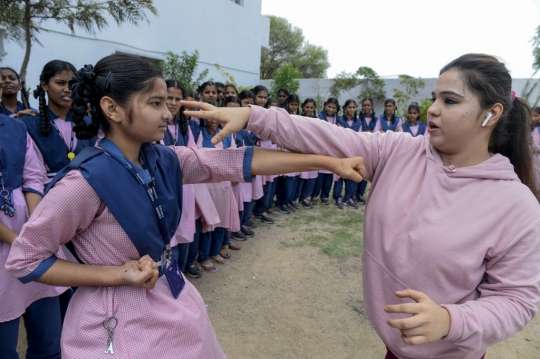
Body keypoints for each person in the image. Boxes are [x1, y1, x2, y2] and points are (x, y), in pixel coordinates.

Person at [183, 53, 540, 359]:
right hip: (394, 349)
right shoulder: (399, 151)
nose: (432, 109)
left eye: (449, 101)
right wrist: (255, 116)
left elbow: (517, 301)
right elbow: (332, 137)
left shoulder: (516, 205)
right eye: (433, 98)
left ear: (490, 114)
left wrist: (450, 321)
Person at [6, 54, 364, 357]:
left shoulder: (164, 159)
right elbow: (25, 258)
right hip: (115, 318)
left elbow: (242, 160)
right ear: (112, 108)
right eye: (156, 103)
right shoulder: (84, 183)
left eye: (168, 102)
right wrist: (116, 274)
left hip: (169, 295)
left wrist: (328, 162)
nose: (168, 112)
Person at [0, 77, 66, 359]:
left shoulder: (14, 128)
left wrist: (34, 229)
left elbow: (32, 176)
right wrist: (19, 239)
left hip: (27, 234)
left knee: (49, 340)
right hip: (10, 242)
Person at [21, 60, 92, 184]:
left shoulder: (89, 124)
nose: (68, 89)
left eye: (72, 84)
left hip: (87, 194)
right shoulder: (28, 124)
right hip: (45, 195)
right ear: (44, 85)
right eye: (60, 83)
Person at [334, 99, 362, 209]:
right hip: (342, 149)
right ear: (345, 108)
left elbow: (359, 136)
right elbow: (340, 135)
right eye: (349, 107)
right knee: (340, 173)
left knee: (352, 173)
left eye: (354, 107)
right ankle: (338, 196)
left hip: (354, 150)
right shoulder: (340, 120)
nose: (351, 109)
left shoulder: (358, 122)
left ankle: (349, 196)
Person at [313, 98, 340, 204]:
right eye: (329, 106)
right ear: (325, 106)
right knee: (319, 174)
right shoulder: (318, 116)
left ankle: (324, 195)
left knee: (329, 174)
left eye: (334, 107)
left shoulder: (338, 119)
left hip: (332, 149)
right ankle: (314, 195)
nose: (331, 109)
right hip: (321, 147)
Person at [355, 98, 380, 204]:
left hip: (371, 147)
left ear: (372, 107)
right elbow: (356, 132)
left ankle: (360, 194)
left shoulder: (376, 119)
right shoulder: (357, 118)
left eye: (368, 105)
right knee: (356, 169)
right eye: (364, 105)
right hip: (358, 146)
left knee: (366, 170)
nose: (366, 107)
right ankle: (353, 194)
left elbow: (377, 132)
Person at [531, 106, 540, 192]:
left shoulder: (538, 129)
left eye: (536, 116)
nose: (533, 118)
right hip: (531, 157)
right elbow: (535, 145)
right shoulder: (526, 127)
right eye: (532, 115)